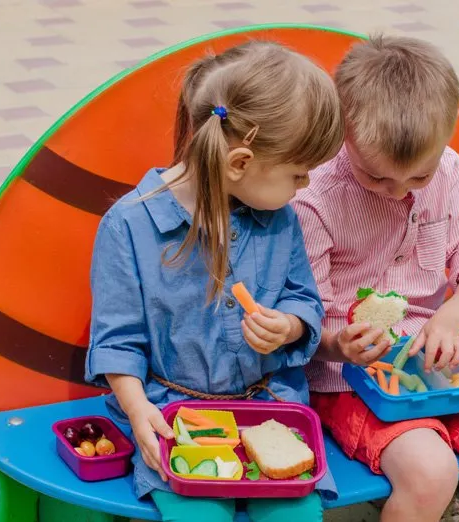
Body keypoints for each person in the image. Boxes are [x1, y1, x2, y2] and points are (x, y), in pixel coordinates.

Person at [85, 41, 345, 522]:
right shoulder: (129, 226)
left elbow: (302, 297)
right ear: (239, 163)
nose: (305, 186)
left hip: (271, 408)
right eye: (298, 174)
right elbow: (117, 342)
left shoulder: (281, 219)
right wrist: (138, 410)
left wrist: (289, 326)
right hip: (174, 415)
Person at [291, 35, 459, 521]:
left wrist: (451, 318)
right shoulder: (315, 197)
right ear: (344, 131)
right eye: (376, 177)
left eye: (417, 178)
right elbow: (301, 320)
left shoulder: (447, 170)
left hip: (440, 361)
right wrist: (338, 344)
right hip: (347, 379)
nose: (397, 192)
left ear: (447, 135)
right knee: (430, 474)